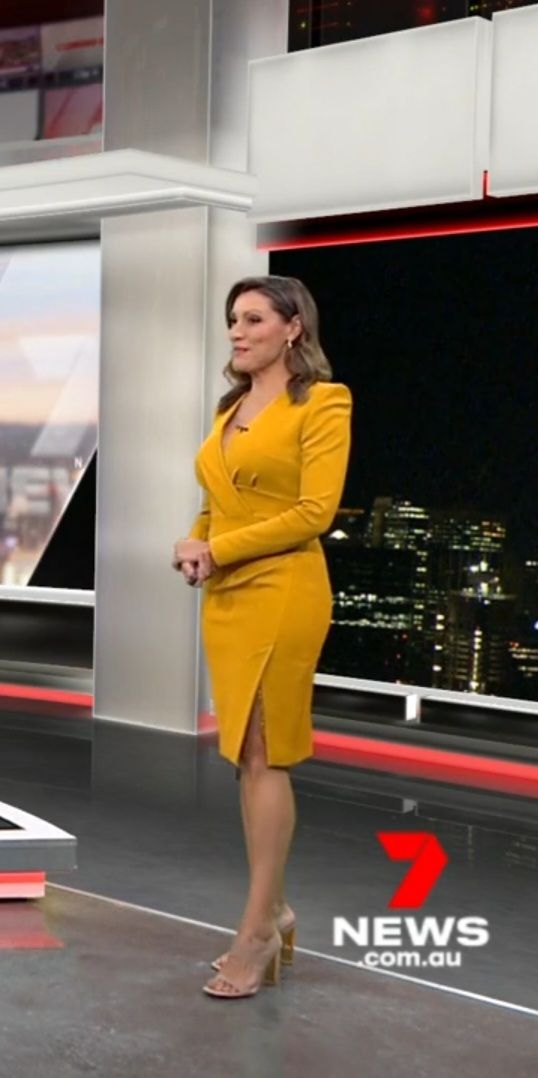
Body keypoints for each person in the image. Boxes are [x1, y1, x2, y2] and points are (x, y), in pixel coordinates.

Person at [172, 275, 352, 999]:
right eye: (233, 320)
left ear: (292, 327)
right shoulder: (231, 407)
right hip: (228, 596)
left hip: (284, 591)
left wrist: (220, 548)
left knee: (265, 753)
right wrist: (195, 541)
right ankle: (273, 912)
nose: (237, 332)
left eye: (252, 319)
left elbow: (314, 511)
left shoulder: (325, 403)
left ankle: (256, 933)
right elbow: (217, 499)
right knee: (245, 760)